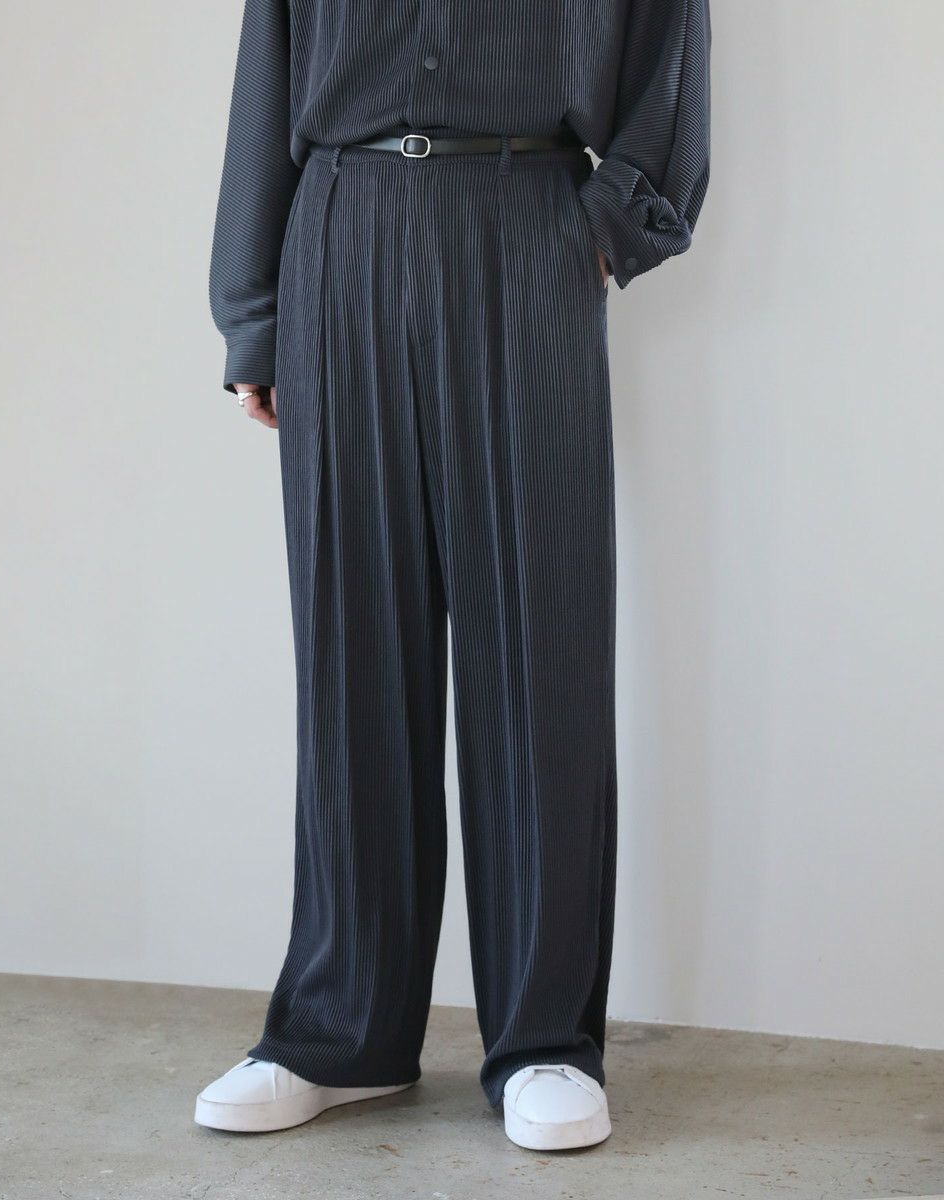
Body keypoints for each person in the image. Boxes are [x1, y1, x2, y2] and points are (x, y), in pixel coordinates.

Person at [195, 0, 710, 1152]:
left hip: (527, 224)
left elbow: (668, 55)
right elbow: (267, 80)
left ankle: (542, 1040)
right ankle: (338, 1032)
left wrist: (606, 222)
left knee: (539, 645)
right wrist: (253, 316)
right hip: (341, 227)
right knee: (352, 650)